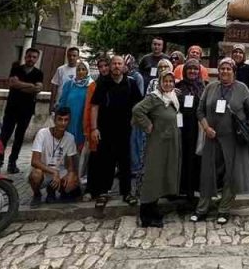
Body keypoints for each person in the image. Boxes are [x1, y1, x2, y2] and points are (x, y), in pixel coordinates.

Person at [195, 58, 249, 224]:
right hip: (212, 137)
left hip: (233, 139)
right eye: (222, 69)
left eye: (228, 69)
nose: (224, 71)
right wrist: (206, 128)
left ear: (233, 71)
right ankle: (202, 208)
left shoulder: (242, 88)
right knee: (207, 173)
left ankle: (223, 209)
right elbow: (200, 111)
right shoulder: (210, 87)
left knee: (231, 174)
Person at [88, 55, 143, 208]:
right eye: (114, 64)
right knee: (106, 161)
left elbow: (139, 106)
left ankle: (126, 193)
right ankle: (104, 192)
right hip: (105, 130)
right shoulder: (103, 83)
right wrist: (94, 128)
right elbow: (94, 107)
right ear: (110, 66)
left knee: (125, 162)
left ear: (124, 66)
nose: (117, 66)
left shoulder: (131, 84)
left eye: (119, 63)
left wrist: (135, 121)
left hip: (125, 130)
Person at [130, 66, 182, 228]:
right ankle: (146, 214)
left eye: (170, 81)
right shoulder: (154, 97)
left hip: (169, 143)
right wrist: (148, 125)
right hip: (157, 143)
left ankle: (154, 208)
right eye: (165, 81)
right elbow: (137, 110)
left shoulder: (172, 97)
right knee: (153, 176)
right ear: (159, 83)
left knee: (162, 177)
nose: (167, 84)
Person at [1, 47, 46, 174]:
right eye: (29, 56)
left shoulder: (38, 73)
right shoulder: (16, 69)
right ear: (25, 57)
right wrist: (30, 85)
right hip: (12, 108)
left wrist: (20, 85)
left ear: (36, 59)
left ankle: (12, 163)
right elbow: (12, 84)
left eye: (34, 57)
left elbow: (38, 89)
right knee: (4, 136)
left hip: (26, 110)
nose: (31, 59)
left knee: (19, 137)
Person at [28, 107, 80, 206]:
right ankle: (37, 194)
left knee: (73, 181)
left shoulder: (70, 138)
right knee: (36, 175)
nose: (63, 123)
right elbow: (34, 161)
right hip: (43, 170)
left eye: (66, 120)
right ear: (54, 119)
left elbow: (70, 164)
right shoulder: (42, 133)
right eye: (60, 119)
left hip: (58, 171)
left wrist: (70, 174)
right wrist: (54, 172)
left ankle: (52, 191)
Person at [176, 58, 207, 207]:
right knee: (184, 158)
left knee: (197, 158)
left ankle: (195, 189)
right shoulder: (178, 87)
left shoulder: (203, 87)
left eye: (195, 69)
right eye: (190, 69)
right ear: (184, 70)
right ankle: (183, 190)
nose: (193, 71)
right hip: (182, 129)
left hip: (199, 129)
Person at [55, 59, 92, 165]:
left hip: (81, 121)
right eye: (78, 69)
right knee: (66, 145)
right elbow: (62, 101)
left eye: (83, 69)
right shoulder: (69, 84)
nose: (80, 72)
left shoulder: (91, 86)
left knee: (78, 147)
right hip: (68, 120)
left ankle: (75, 172)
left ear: (87, 71)